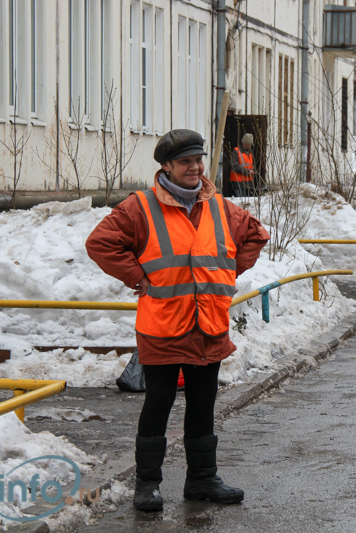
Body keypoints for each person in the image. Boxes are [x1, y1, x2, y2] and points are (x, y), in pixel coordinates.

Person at [85, 129, 270, 512]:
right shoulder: (141, 207)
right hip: (164, 325)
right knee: (159, 401)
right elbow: (100, 243)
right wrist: (137, 277)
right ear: (166, 166)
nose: (195, 167)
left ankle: (202, 479)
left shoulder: (218, 206)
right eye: (186, 161)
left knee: (203, 403)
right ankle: (147, 485)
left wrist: (227, 272)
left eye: (198, 160)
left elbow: (255, 234)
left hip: (209, 324)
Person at [229, 133, 255, 197]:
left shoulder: (250, 153)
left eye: (250, 145)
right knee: (240, 201)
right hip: (238, 182)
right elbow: (235, 166)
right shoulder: (236, 151)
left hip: (249, 183)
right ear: (244, 143)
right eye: (248, 144)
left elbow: (251, 165)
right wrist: (248, 171)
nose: (249, 146)